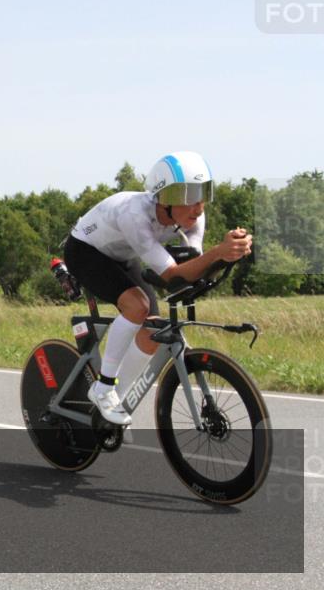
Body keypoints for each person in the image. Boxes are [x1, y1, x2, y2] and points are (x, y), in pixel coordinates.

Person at [64, 152, 252, 425]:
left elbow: (192, 269)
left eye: (202, 194)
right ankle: (103, 388)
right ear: (165, 199)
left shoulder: (195, 219)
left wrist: (227, 254)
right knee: (136, 306)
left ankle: (116, 396)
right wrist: (217, 253)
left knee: (152, 330)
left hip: (122, 256)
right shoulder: (134, 216)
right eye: (189, 196)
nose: (198, 207)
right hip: (85, 251)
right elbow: (173, 275)